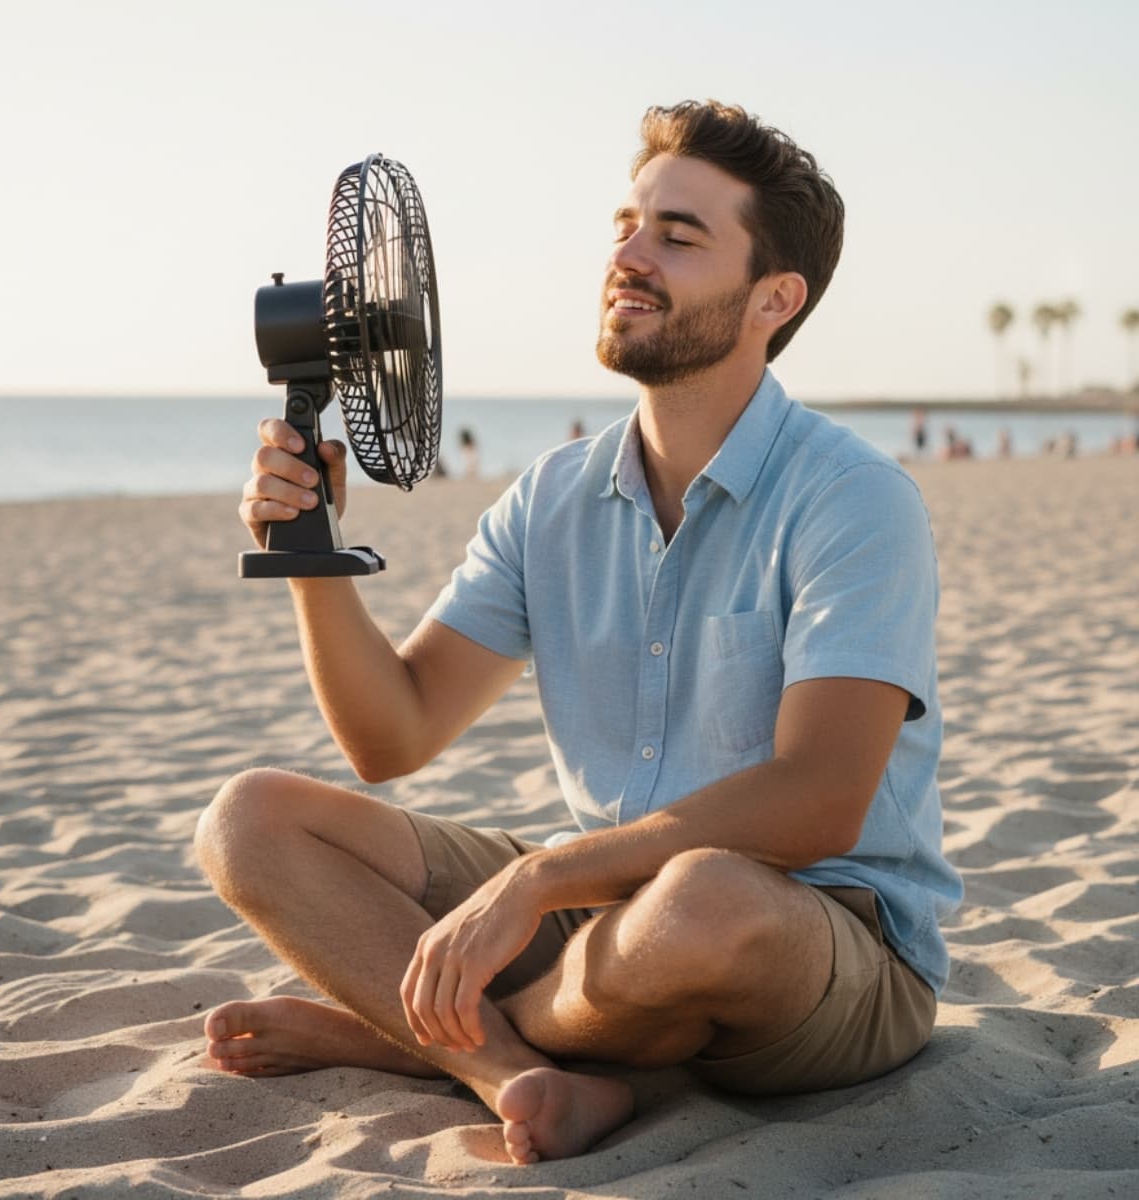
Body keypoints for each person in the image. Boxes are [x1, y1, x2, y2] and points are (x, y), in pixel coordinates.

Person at [196, 100, 963, 1166]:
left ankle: (406, 1034)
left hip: (821, 939)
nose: (628, 256)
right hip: (613, 921)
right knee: (250, 819)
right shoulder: (550, 497)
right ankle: (501, 1069)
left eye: (678, 237)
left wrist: (540, 881)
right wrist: (307, 550)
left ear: (773, 299)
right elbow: (394, 734)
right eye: (626, 226)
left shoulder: (852, 497)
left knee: (706, 899)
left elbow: (821, 800)